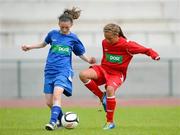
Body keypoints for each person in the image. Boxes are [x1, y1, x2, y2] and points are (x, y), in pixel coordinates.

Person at [21, 7, 95, 131]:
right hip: (49, 71)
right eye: (62, 27)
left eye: (67, 27)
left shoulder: (73, 38)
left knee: (57, 96)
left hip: (64, 71)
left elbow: (80, 53)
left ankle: (52, 122)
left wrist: (88, 60)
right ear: (59, 25)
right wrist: (29, 46)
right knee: (49, 103)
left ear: (71, 25)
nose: (64, 29)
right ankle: (61, 120)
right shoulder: (52, 34)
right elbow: (43, 44)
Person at [79, 23, 160, 130]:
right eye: (105, 38)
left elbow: (146, 50)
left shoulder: (127, 45)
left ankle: (110, 122)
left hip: (117, 74)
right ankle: (101, 96)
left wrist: (154, 55)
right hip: (103, 69)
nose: (107, 40)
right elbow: (106, 57)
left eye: (110, 38)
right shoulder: (105, 42)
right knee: (83, 75)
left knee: (110, 89)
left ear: (117, 35)